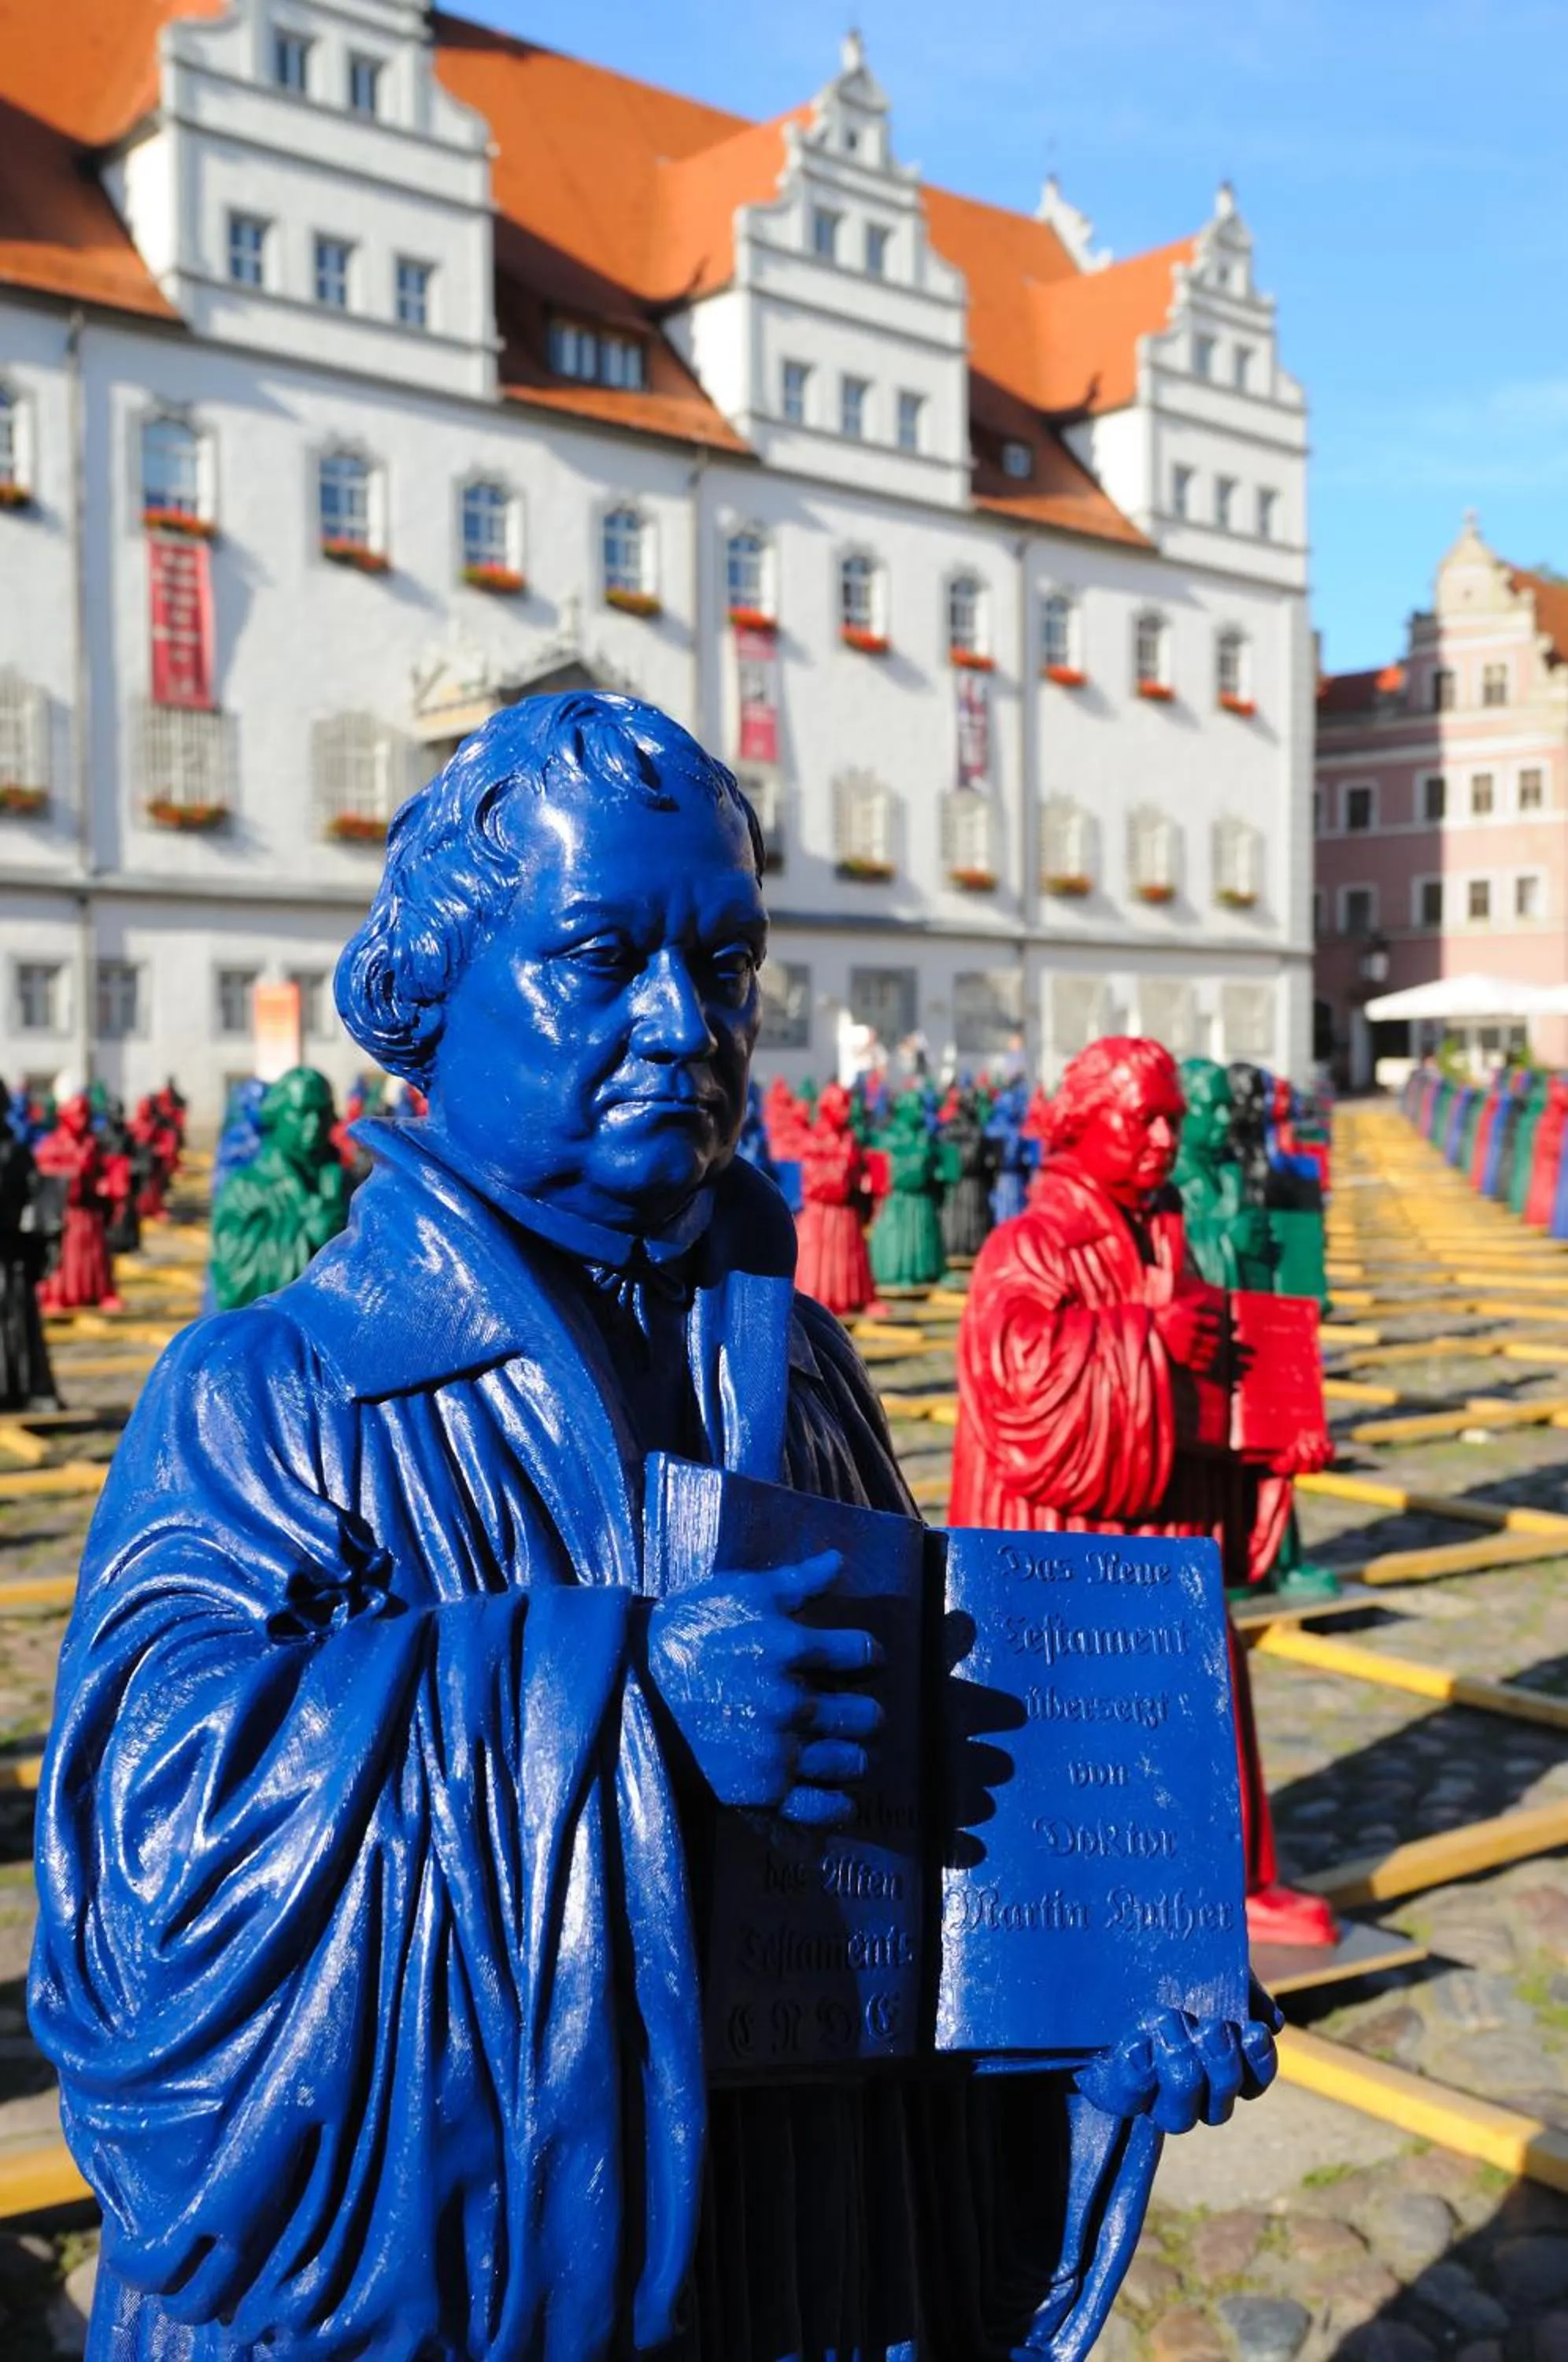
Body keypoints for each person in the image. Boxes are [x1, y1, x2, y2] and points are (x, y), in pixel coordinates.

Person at [33, 696, 1276, 2362]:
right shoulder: (278, 1393)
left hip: (812, 2260)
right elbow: (145, 1889)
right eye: (602, 953)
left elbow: (915, 1848)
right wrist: (615, 1711)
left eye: (728, 962)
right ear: (433, 992)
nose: (685, 1019)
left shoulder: (805, 1366)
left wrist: (1078, 2021)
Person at [949, 1034, 1336, 1950]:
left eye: (1173, 1117)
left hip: (1164, 1539)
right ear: (1081, 1127)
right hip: (1070, 1544)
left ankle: (1228, 1877)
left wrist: (1271, 1440)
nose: (1164, 1136)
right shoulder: (1031, 1244)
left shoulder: (1166, 1237)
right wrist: (1146, 1338)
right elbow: (1017, 1380)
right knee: (1075, 1722)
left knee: (1197, 1688)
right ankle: (1058, 1892)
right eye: (1142, 1117)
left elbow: (1213, 1381)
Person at [208, 1067, 349, 1310]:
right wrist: (306, 1238)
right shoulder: (246, 1186)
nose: (314, 1124)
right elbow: (233, 1276)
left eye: (322, 1112)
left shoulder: (343, 1182)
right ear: (278, 1115)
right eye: (302, 1112)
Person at [33, 1093, 122, 1314]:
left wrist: (109, 1183)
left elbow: (104, 1169)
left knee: (95, 1254)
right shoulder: (52, 1144)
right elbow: (45, 1175)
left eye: (86, 1114)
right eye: (77, 1114)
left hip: (89, 1211)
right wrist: (74, 1174)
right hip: (66, 1213)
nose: (82, 1120)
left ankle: (100, 1292)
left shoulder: (92, 1143)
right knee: (64, 1256)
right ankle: (58, 1295)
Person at [0, 1082, 58, 1411]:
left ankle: (19, 1388)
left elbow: (37, 1203)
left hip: (10, 1255)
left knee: (15, 1322)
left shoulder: (15, 1152)